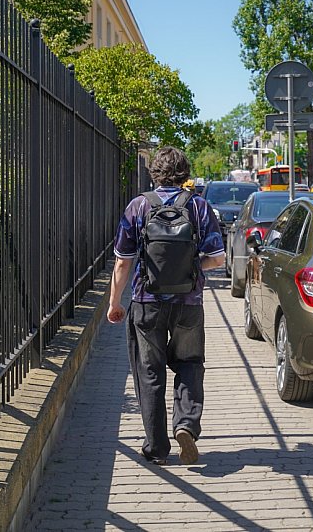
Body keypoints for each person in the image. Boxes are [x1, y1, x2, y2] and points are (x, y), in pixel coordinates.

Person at [106, 146, 225, 465]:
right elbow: (217, 259)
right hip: (189, 302)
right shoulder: (199, 207)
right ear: (185, 173)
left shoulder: (139, 206)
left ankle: (157, 447)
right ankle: (185, 424)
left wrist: (115, 302)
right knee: (189, 363)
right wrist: (193, 266)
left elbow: (122, 263)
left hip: (147, 302)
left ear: (154, 173)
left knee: (149, 372)